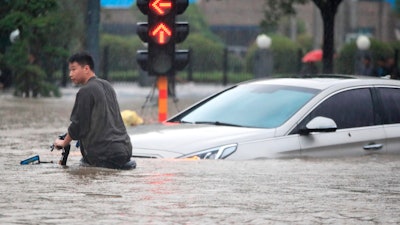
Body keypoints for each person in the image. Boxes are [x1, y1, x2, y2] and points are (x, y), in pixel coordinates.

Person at [54, 52, 135, 169]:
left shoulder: (85, 91)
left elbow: (78, 126)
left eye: (73, 69)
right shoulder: (108, 86)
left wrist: (63, 143)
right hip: (125, 150)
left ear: (86, 68)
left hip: (103, 155)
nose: (70, 74)